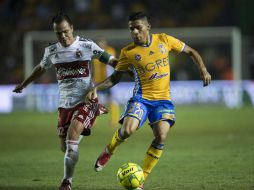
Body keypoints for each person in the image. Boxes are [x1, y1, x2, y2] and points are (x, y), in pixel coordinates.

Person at [86, 12, 211, 190]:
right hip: (141, 99)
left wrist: (203, 70)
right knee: (128, 130)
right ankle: (109, 150)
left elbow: (191, 51)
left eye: (138, 27)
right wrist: (96, 88)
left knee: (161, 136)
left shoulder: (164, 40)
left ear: (148, 27)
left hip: (163, 101)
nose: (135, 32)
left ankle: (141, 179)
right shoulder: (128, 52)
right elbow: (115, 78)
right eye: (131, 29)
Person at [13, 12, 117, 190]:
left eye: (65, 31)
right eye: (58, 33)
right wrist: (24, 84)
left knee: (72, 138)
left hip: (86, 100)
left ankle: (66, 181)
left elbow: (111, 60)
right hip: (64, 104)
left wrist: (127, 67)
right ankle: (96, 112)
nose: (63, 36)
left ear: (72, 28)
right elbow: (40, 68)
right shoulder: (52, 50)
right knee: (66, 147)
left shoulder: (86, 45)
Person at [92, 38, 120, 128]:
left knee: (112, 101)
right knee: (94, 101)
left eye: (102, 43)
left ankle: (114, 121)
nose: (100, 45)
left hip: (108, 81)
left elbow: (111, 62)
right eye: (99, 44)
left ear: (105, 44)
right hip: (98, 81)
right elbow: (94, 69)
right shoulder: (95, 54)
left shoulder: (110, 51)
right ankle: (93, 120)